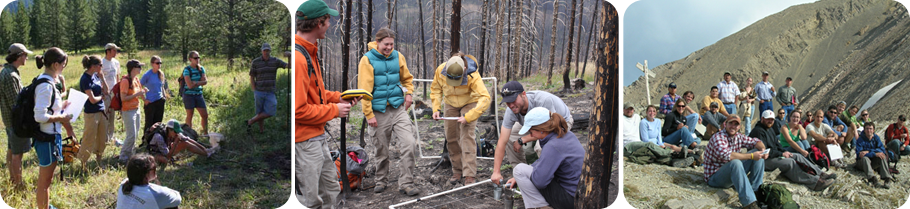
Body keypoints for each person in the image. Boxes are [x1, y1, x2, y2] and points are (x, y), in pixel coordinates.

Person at [294, 1, 359, 208]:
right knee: (309, 200)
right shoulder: (298, 58)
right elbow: (298, 110)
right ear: (318, 23)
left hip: (316, 136)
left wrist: (338, 98)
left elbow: (315, 94)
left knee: (331, 189)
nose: (330, 24)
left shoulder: (308, 51)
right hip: (303, 142)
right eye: (328, 20)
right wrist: (335, 110)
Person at [356, 28, 420, 195]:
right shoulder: (367, 60)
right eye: (386, 44)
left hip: (398, 109)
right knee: (381, 150)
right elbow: (364, 90)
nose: (389, 47)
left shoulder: (398, 56)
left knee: (409, 143)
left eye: (391, 44)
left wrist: (409, 94)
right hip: (378, 112)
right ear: (377, 42)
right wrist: (368, 114)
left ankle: (406, 182)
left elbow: (407, 78)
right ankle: (381, 180)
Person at [431, 52, 491, 185]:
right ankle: (457, 170)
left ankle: (469, 174)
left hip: (469, 102)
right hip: (450, 103)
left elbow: (485, 98)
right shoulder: (440, 71)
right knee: (451, 137)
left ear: (464, 70)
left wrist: (469, 116)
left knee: (466, 137)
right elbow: (435, 89)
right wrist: (436, 108)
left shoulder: (472, 75)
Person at [504, 107, 583, 209]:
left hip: (570, 199)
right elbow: (544, 162)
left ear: (541, 129)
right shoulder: (567, 135)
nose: (530, 134)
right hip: (581, 193)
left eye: (531, 131)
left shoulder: (553, 146)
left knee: (519, 170)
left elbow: (540, 182)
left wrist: (526, 177)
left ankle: (541, 207)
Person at [750, 110, 836, 191]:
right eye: (767, 119)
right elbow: (765, 151)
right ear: (762, 119)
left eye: (772, 119)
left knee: (797, 156)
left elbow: (777, 144)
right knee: (790, 162)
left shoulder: (769, 129)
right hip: (763, 160)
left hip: (773, 155)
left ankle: (821, 174)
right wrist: (782, 153)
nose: (770, 121)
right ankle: (815, 182)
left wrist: (784, 152)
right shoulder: (758, 131)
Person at [33, 47, 73, 209]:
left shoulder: (48, 82)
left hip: (51, 137)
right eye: (63, 64)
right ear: (56, 64)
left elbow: (49, 108)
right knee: (45, 182)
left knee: (47, 180)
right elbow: (39, 116)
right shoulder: (46, 86)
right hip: (46, 139)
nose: (64, 67)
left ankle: (46, 206)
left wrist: (63, 106)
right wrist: (61, 117)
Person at [703, 115, 767, 209]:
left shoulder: (738, 136)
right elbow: (728, 155)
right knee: (736, 162)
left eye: (736, 124)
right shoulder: (718, 137)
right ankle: (749, 204)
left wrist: (763, 150)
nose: (733, 126)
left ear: (739, 126)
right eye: (730, 123)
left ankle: (756, 191)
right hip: (715, 177)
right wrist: (752, 156)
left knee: (758, 154)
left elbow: (755, 141)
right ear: (725, 124)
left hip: (731, 173)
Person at [1, 43, 33, 188]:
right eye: (25, 55)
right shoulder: (11, 75)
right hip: (16, 122)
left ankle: (13, 179)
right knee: (17, 155)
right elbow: (16, 103)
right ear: (19, 56)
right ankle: (18, 184)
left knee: (12, 149)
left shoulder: (8, 71)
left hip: (10, 120)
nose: (26, 57)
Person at [77, 55, 110, 170]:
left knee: (102, 137)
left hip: (101, 111)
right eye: (100, 65)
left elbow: (107, 91)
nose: (102, 67)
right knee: (89, 137)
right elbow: (91, 99)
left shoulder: (96, 76)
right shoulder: (85, 79)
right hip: (91, 113)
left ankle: (99, 161)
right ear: (93, 66)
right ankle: (83, 163)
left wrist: (102, 78)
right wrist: (101, 97)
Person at [247, 43, 288, 133]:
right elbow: (252, 76)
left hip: (270, 91)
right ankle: (262, 131)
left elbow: (290, 66)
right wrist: (254, 90)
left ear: (270, 51)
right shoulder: (256, 62)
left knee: (271, 110)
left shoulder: (275, 61)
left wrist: (291, 56)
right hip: (259, 91)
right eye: (264, 50)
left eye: (267, 50)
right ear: (262, 51)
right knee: (260, 111)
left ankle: (251, 121)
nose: (266, 52)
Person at [116, 153, 181, 209]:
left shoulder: (123, 184)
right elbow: (177, 198)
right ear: (146, 173)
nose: (156, 169)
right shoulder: (156, 193)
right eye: (154, 168)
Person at [148, 119, 215, 165]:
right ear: (170, 130)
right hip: (156, 153)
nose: (177, 133)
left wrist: (205, 149)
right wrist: (175, 143)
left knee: (185, 143)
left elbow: (188, 140)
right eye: (176, 131)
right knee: (166, 160)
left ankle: (207, 154)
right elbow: (167, 155)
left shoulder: (174, 132)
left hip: (167, 149)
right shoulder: (159, 137)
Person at [119, 60, 148, 163]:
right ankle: (123, 157)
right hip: (128, 110)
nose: (140, 69)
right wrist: (137, 94)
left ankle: (131, 154)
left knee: (135, 134)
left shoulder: (136, 79)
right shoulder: (125, 81)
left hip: (136, 108)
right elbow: (123, 98)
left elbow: (139, 93)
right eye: (139, 67)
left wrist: (144, 97)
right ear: (133, 68)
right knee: (131, 134)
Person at [855, 122, 893, 189]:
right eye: (867, 129)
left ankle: (887, 178)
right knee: (865, 158)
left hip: (872, 162)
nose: (869, 130)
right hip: (862, 163)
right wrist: (875, 153)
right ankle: (872, 179)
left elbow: (882, 150)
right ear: (864, 130)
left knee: (882, 155)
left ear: (873, 130)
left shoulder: (876, 138)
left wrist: (869, 152)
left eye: (870, 129)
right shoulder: (860, 140)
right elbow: (860, 155)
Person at [182, 51, 209, 135]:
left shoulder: (201, 69)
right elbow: (189, 85)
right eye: (195, 58)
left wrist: (196, 83)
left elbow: (205, 81)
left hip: (198, 95)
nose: (198, 60)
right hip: (188, 95)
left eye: (198, 58)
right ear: (190, 59)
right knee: (190, 115)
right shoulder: (187, 70)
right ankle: (189, 134)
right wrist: (199, 82)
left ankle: (205, 133)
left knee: (205, 115)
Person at [141, 56, 169, 133]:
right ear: (152, 64)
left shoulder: (161, 74)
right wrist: (144, 99)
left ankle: (156, 138)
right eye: (157, 63)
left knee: (158, 123)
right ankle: (146, 140)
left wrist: (164, 97)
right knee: (149, 123)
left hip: (160, 100)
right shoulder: (147, 75)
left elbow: (162, 86)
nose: (159, 65)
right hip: (150, 102)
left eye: (160, 63)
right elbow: (139, 86)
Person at [102, 43, 122, 146]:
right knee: (105, 114)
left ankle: (110, 136)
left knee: (112, 115)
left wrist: (118, 91)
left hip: (114, 93)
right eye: (114, 50)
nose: (116, 53)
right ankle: (104, 137)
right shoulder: (101, 63)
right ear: (108, 51)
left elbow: (117, 77)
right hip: (105, 93)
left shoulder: (116, 63)